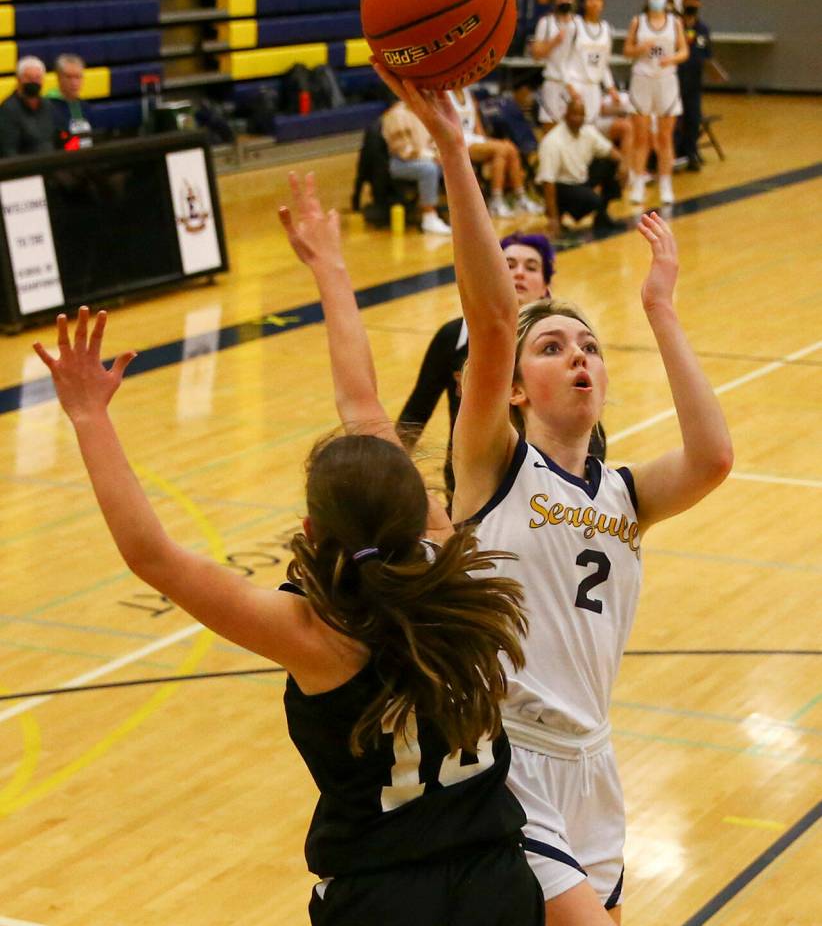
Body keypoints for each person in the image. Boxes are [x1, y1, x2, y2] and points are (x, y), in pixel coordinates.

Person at [33, 180, 545, 925]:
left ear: (310, 531)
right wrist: (330, 268)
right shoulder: (451, 557)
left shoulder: (318, 638)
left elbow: (152, 554)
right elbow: (364, 405)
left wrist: (88, 416)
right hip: (497, 879)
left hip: (386, 897)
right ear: (421, 510)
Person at [370, 60, 733, 925]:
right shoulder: (493, 466)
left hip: (593, 760)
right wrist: (457, 151)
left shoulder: (624, 492)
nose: (578, 355)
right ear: (517, 388)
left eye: (590, 347)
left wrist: (662, 311)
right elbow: (492, 319)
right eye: (555, 347)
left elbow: (714, 457)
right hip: (508, 756)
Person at [397, 232, 556, 503]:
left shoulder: (558, 344)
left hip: (537, 498)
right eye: (508, 265)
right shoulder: (452, 337)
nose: (518, 274)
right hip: (464, 495)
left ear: (546, 288)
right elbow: (415, 414)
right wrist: (390, 472)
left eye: (530, 268)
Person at [623, 0, 689, 206]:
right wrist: (640, 49)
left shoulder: (675, 23)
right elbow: (626, 51)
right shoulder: (638, 22)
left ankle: (665, 184)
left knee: (664, 137)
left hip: (666, 80)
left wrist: (671, 59)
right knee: (641, 138)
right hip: (642, 79)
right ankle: (639, 183)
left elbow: (684, 51)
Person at [448, 86, 542, 218]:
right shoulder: (445, 95)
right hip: (457, 142)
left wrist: (484, 140)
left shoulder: (468, 93)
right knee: (501, 149)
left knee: (510, 148)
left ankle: (520, 198)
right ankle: (496, 201)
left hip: (473, 138)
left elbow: (477, 123)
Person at [536, 98, 626, 235]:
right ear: (566, 115)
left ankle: (602, 217)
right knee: (593, 200)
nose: (578, 119)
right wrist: (552, 219)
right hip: (560, 186)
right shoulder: (552, 141)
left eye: (581, 115)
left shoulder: (588, 131)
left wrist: (623, 165)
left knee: (611, 164)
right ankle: (558, 218)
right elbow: (548, 182)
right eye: (574, 115)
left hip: (580, 179)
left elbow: (610, 150)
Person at [568, 0, 633, 160]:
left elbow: (604, 63)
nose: (594, 2)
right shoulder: (574, 25)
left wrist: (611, 88)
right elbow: (563, 59)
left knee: (596, 130)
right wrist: (569, 86)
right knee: (579, 131)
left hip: (595, 88)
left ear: (603, 4)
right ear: (584, 2)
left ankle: (621, 171)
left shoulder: (606, 29)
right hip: (576, 86)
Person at [381, 99, 451, 235]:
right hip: (400, 163)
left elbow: (433, 140)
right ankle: (429, 217)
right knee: (429, 169)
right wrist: (432, 156)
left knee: (452, 165)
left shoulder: (424, 109)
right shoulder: (397, 115)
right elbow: (404, 151)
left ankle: (457, 211)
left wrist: (439, 153)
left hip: (424, 157)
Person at [529, 0, 578, 131]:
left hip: (572, 84)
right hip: (552, 81)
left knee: (573, 128)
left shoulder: (578, 25)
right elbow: (536, 54)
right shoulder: (546, 23)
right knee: (551, 129)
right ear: (554, 2)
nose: (564, 2)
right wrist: (553, 42)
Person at [676, 0, 713, 170]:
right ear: (682, 2)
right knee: (675, 120)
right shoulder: (675, 26)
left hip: (694, 83)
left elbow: (707, 55)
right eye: (688, 0)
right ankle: (677, 153)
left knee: (694, 118)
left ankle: (691, 152)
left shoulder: (703, 29)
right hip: (675, 82)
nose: (691, 3)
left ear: (699, 4)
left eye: (694, 0)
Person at [0, 55, 57, 158]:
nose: (33, 82)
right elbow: (8, 150)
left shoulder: (48, 105)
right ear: (18, 79)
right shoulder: (8, 109)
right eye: (29, 78)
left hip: (50, 164)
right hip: (24, 168)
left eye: (37, 78)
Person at [46, 53, 93, 149]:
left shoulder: (84, 106)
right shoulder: (47, 106)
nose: (74, 83)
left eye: (78, 77)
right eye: (68, 77)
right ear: (59, 78)